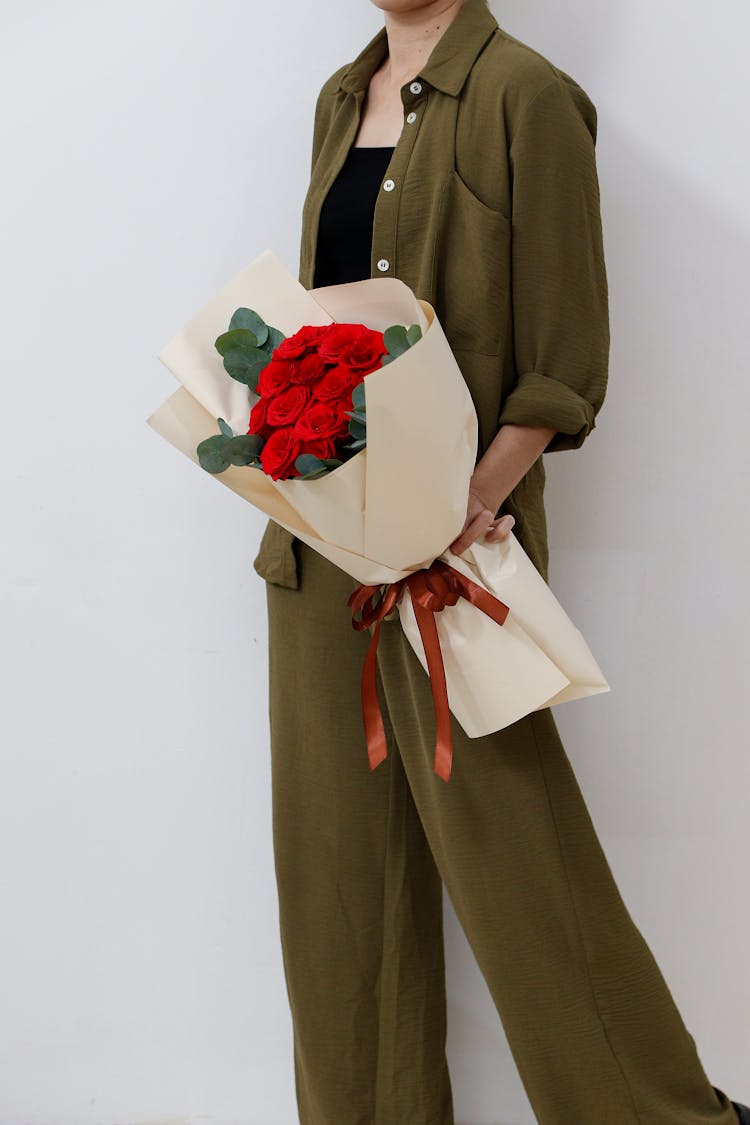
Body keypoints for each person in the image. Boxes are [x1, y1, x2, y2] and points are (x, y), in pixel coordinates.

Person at [253, 1, 749, 1121]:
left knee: (517, 857)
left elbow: (566, 348)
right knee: (337, 880)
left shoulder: (529, 96)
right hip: (318, 545)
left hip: (454, 553)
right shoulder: (340, 97)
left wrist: (475, 489)